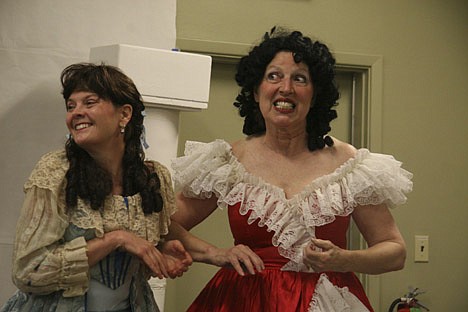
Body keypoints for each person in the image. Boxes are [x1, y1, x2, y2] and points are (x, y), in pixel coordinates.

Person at [171, 27, 413, 311]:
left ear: (315, 94)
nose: (285, 88)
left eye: (299, 79)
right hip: (243, 300)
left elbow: (394, 252)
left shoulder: (350, 164)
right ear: (256, 90)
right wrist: (215, 254)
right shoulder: (227, 161)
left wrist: (343, 259)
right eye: (273, 76)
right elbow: (163, 223)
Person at [1, 63, 193, 312]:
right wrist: (116, 240)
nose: (76, 112)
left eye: (89, 102)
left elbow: (157, 235)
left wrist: (164, 252)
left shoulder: (152, 177)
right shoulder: (56, 172)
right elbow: (29, 270)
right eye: (71, 106)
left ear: (124, 114)